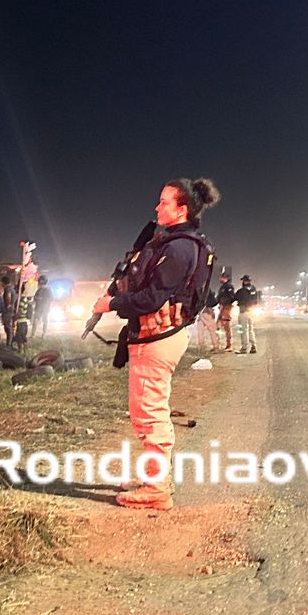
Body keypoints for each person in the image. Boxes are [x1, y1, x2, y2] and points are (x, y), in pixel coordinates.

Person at [90, 177, 219, 510]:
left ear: (182, 208)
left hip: (157, 338)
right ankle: (154, 478)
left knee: (150, 414)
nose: (156, 207)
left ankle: (157, 488)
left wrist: (110, 305)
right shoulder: (179, 243)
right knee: (147, 410)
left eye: (164, 202)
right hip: (156, 336)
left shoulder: (178, 247)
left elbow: (150, 298)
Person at [234, 274, 261, 354]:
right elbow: (256, 300)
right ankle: (253, 346)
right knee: (251, 329)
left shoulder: (241, 291)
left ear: (244, 281)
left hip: (243, 311)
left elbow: (234, 298)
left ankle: (244, 348)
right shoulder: (254, 289)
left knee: (243, 330)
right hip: (251, 312)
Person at [214, 270, 236, 353]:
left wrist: (224, 303)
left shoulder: (229, 287)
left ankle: (229, 345)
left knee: (227, 326)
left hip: (226, 308)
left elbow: (231, 297)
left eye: (222, 277)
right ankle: (217, 345)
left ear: (225, 278)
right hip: (222, 307)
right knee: (217, 326)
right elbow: (218, 297)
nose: (220, 278)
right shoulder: (222, 287)